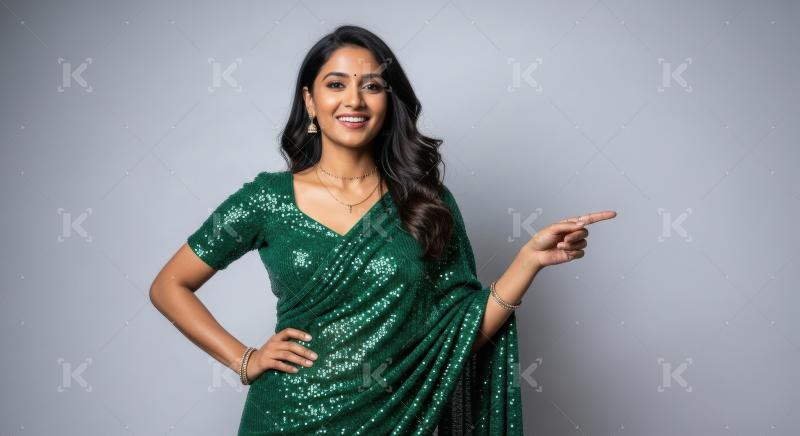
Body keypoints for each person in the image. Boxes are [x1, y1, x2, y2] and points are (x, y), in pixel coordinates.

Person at [149, 25, 616, 435]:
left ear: (388, 102)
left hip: (397, 417)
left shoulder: (425, 202)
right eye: (336, 85)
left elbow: (460, 333)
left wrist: (529, 260)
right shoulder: (268, 198)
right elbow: (170, 285)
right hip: (286, 417)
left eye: (371, 85)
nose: (353, 100)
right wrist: (244, 359)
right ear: (311, 101)